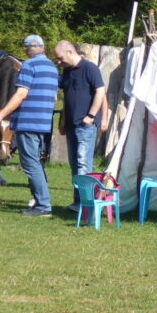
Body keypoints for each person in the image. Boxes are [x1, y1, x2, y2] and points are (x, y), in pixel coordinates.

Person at [0, 35, 59, 217]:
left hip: (28, 122)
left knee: (30, 165)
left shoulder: (28, 65)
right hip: (43, 123)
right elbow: (54, 97)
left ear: (27, 49)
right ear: (43, 47)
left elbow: (21, 93)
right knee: (36, 162)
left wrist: (1, 115)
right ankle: (39, 202)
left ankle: (43, 206)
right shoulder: (52, 67)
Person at [54, 40, 107, 210]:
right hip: (70, 124)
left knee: (83, 164)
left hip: (85, 126)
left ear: (70, 52)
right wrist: (62, 121)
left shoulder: (90, 68)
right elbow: (67, 98)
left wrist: (91, 115)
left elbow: (100, 91)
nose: (59, 62)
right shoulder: (67, 71)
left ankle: (86, 204)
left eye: (60, 58)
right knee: (74, 166)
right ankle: (78, 202)